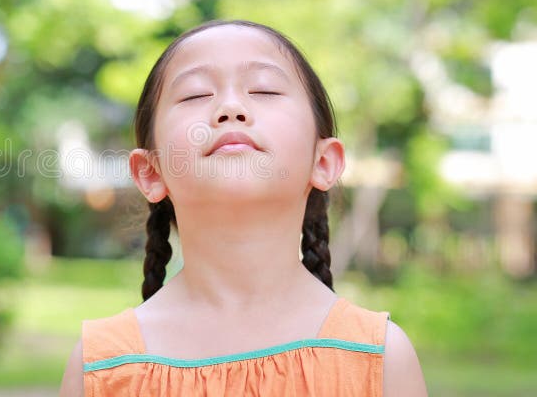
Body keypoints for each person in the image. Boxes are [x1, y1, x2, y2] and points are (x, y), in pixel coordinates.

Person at [59, 20, 428, 396]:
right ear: (150, 172)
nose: (230, 107)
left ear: (324, 162)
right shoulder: (100, 368)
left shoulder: (381, 360)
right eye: (195, 95)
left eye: (264, 90)